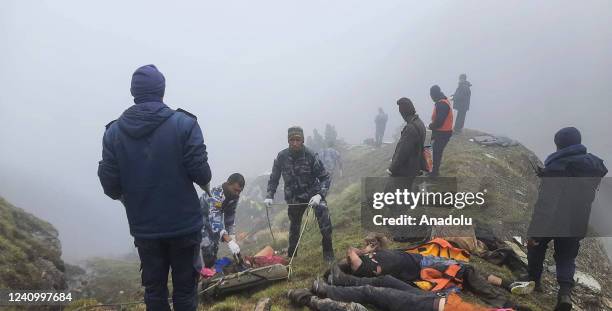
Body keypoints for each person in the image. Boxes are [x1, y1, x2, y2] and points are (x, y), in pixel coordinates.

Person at [98, 64, 211, 311]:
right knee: (185, 289)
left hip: (144, 228)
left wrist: (132, 198)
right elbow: (201, 173)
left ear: (134, 91)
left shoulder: (113, 132)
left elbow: (109, 185)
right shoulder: (185, 124)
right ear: (161, 89)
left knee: (154, 290)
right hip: (183, 225)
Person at [526, 127, 607, 311]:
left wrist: (535, 232)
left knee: (536, 246)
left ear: (560, 146)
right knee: (566, 257)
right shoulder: (591, 165)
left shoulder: (557, 166)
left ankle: (533, 281)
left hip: (554, 217)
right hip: (577, 219)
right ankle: (565, 293)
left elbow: (547, 204)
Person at [264, 126, 334, 262]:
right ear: (288, 141)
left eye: (298, 139)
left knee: (325, 220)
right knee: (294, 227)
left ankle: (328, 251)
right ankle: (292, 255)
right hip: (294, 197)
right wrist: (269, 195)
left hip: (313, 194)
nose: (295, 143)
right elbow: (274, 178)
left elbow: (325, 177)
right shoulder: (281, 157)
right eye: (292, 140)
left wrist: (319, 195)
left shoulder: (311, 155)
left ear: (302, 140)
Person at [200, 173, 245, 268]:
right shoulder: (215, 195)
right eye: (235, 190)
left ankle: (211, 271)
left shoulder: (234, 196)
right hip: (199, 220)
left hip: (213, 220)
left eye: (239, 191)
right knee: (207, 247)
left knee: (214, 248)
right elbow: (215, 220)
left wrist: (232, 236)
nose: (237, 193)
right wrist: (229, 240)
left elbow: (230, 216)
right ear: (228, 183)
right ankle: (202, 276)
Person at [388, 98, 426, 186]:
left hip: (405, 169)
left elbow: (402, 151)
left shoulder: (410, 128)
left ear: (403, 113)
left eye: (401, 112)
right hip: (415, 166)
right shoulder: (419, 123)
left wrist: (392, 169)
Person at [428, 85, 454, 177]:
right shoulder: (442, 101)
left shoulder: (442, 104)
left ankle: (434, 173)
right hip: (442, 132)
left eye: (431, 95)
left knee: (436, 152)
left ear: (434, 94)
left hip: (443, 133)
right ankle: (432, 170)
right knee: (433, 150)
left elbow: (439, 121)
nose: (431, 97)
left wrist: (431, 126)